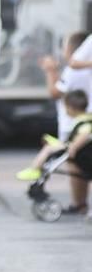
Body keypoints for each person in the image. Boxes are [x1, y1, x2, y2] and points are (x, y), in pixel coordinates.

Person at [14, 32, 92, 215]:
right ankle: (79, 204)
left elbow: (55, 92)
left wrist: (50, 71)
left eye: (65, 47)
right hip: (85, 124)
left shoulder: (74, 72)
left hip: (76, 126)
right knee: (80, 165)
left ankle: (79, 203)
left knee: (76, 164)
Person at [16, 90, 92, 182]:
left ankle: (35, 169)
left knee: (48, 148)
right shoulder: (87, 117)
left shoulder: (83, 121)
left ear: (71, 108)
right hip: (74, 146)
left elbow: (85, 134)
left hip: (74, 148)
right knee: (50, 143)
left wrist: (74, 147)